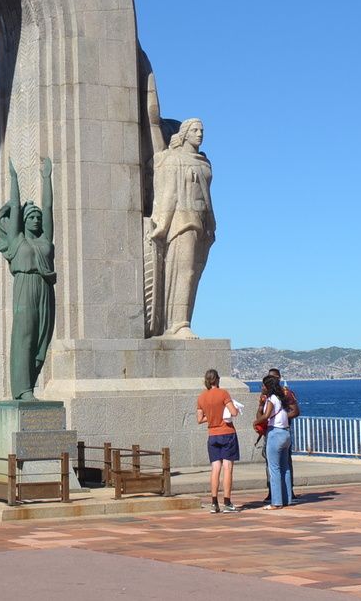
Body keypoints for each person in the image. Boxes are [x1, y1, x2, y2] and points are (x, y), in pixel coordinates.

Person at [146, 119, 215, 337]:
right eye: (194, 130)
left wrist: (212, 222)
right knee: (183, 271)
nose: (200, 134)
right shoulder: (173, 160)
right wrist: (162, 226)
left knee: (194, 273)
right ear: (184, 134)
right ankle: (178, 324)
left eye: (202, 130)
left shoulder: (204, 162)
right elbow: (169, 194)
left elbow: (207, 198)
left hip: (202, 223)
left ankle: (182, 321)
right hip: (182, 222)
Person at [0, 158, 55, 399]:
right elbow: (16, 208)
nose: (37, 220)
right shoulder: (18, 240)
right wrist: (14, 179)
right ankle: (23, 390)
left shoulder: (45, 241)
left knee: (42, 340)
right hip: (25, 286)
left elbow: (48, 209)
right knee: (25, 336)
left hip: (45, 288)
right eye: (32, 217)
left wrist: (47, 178)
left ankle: (31, 384)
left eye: (38, 218)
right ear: (23, 222)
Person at [195, 368, 239, 513]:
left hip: (212, 435)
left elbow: (200, 419)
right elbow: (233, 412)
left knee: (215, 468)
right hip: (227, 432)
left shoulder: (201, 397)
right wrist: (228, 411)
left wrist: (213, 415)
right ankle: (227, 502)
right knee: (228, 468)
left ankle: (214, 503)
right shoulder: (223, 393)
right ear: (217, 379)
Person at [256, 375, 293, 509]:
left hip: (275, 433)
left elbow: (266, 416)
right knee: (285, 467)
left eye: (263, 385)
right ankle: (287, 498)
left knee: (274, 468)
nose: (262, 388)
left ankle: (276, 502)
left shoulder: (271, 399)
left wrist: (255, 422)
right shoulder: (281, 398)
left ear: (268, 386)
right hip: (285, 433)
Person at [263, 367, 298, 502]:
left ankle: (279, 498)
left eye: (275, 378)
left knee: (280, 466)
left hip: (279, 431)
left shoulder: (284, 394)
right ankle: (278, 493)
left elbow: (295, 411)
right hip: (277, 431)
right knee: (276, 465)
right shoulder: (269, 396)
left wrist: (280, 418)